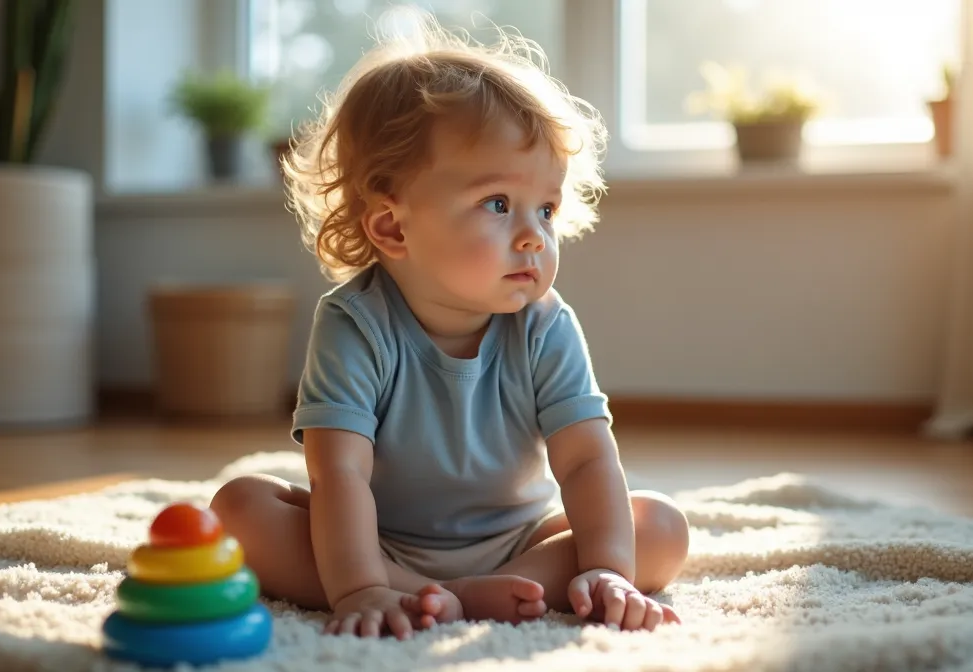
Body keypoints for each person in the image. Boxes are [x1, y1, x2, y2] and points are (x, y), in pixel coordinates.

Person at [210, 10, 689, 640]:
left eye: (546, 208)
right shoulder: (354, 325)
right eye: (498, 204)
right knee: (238, 508)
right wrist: (362, 588)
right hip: (374, 541)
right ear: (392, 227)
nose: (534, 236)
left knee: (659, 526)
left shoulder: (545, 325)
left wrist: (605, 570)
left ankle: (479, 590)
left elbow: (585, 463)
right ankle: (438, 594)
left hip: (520, 540)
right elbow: (341, 475)